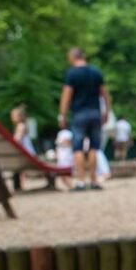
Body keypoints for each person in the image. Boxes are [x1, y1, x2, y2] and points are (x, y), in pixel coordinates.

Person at [58, 48, 111, 190]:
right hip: (95, 113)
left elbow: (66, 95)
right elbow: (105, 94)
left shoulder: (72, 74)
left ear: (72, 57)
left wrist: (62, 115)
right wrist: (107, 112)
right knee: (94, 147)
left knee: (78, 147)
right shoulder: (96, 72)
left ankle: (81, 181)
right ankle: (93, 180)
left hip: (79, 114)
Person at [54, 118, 74, 191]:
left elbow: (69, 143)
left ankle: (70, 186)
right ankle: (70, 186)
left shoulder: (68, 133)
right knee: (62, 173)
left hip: (66, 155)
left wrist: (61, 143)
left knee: (65, 172)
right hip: (61, 155)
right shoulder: (60, 133)